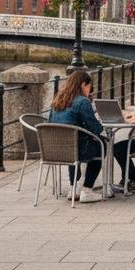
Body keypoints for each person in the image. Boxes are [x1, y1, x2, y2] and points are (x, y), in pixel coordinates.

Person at [47, 68, 105, 204]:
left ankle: (73, 188)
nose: (90, 90)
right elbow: (96, 128)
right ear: (83, 85)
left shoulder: (57, 100)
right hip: (77, 148)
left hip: (54, 149)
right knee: (102, 145)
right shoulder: (82, 101)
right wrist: (100, 124)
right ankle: (87, 189)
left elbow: (50, 123)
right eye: (90, 87)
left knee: (72, 143)